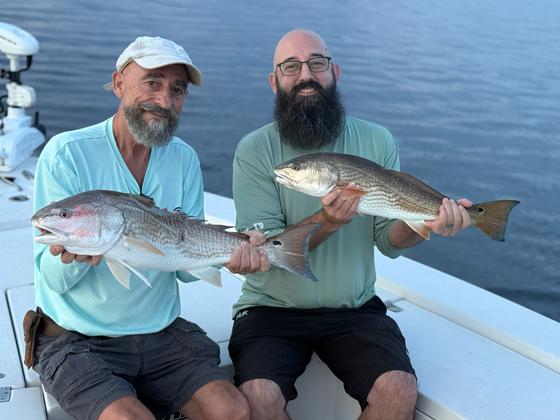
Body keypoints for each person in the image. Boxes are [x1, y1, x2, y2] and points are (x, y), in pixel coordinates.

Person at [227, 29, 473, 420]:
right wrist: (326, 220)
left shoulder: (377, 139)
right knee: (257, 397)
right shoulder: (255, 151)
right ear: (275, 81)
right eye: (291, 66)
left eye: (317, 63)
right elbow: (267, 251)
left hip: (355, 308)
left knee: (398, 389)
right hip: (272, 308)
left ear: (334, 72)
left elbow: (388, 239)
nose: (305, 74)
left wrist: (426, 223)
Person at [29, 36, 251, 420]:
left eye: (177, 89)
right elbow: (55, 283)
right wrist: (81, 252)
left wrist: (232, 255)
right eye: (153, 82)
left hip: (159, 333)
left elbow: (184, 272)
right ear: (119, 84)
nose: (165, 100)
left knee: (232, 410)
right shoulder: (66, 154)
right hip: (76, 337)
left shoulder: (183, 158)